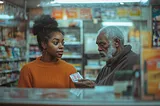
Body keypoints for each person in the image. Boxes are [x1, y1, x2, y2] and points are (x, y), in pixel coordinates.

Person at [18, 15, 77, 88]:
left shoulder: (71, 69)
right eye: (56, 42)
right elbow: (23, 97)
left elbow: (78, 95)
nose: (61, 46)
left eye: (62, 43)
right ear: (44, 44)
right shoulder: (28, 70)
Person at [74, 26, 140, 88]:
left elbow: (122, 93)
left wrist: (94, 87)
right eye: (98, 45)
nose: (99, 49)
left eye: (102, 44)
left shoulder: (132, 61)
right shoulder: (107, 67)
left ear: (116, 42)